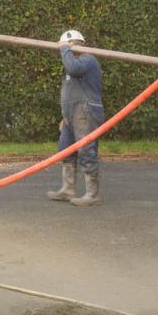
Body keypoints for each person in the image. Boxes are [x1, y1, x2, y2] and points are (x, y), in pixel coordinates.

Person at [47, 29, 104, 207]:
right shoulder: (73, 66)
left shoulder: (88, 59)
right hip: (72, 116)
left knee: (86, 151)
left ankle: (92, 194)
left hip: (86, 113)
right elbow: (70, 95)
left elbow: (72, 67)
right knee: (66, 150)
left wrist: (64, 49)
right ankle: (68, 189)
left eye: (69, 48)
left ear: (73, 45)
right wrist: (65, 117)